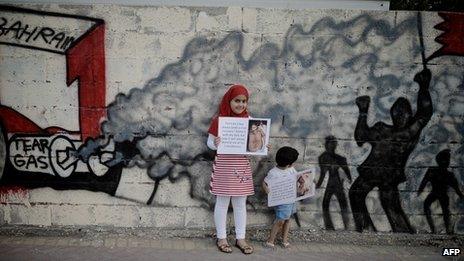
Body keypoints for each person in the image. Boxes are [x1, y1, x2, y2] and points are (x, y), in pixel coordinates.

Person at [349, 68, 433, 233]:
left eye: (404, 113)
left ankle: (402, 231)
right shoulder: (383, 129)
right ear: (393, 114)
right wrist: (363, 112)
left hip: (389, 175)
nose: (400, 115)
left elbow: (425, 113)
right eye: (397, 112)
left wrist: (424, 87)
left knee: (390, 204)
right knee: (356, 193)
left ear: (409, 115)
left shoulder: (409, 132)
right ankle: (366, 228)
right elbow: (361, 138)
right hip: (372, 171)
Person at [207, 84, 254, 254]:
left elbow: (254, 146)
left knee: (240, 204)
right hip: (224, 166)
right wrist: (215, 143)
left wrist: (262, 146)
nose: (241, 104)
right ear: (229, 100)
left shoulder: (250, 121)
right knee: (222, 203)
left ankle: (240, 238)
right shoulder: (220, 120)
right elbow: (209, 143)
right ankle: (222, 238)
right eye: (237, 101)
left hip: (241, 166)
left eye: (244, 101)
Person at [418, 149, 464, 234]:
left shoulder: (447, 174)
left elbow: (456, 188)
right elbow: (424, 181)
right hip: (436, 193)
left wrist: (461, 195)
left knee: (445, 211)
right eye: (445, 160)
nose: (446, 162)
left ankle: (446, 230)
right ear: (439, 160)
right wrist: (419, 190)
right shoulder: (434, 171)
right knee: (431, 207)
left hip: (440, 194)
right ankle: (437, 229)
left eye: (447, 160)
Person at [262, 146, 300, 248]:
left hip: (291, 200)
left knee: (287, 220)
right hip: (281, 202)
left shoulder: (291, 169)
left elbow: (297, 177)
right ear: (289, 163)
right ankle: (270, 241)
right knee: (279, 221)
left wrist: (301, 182)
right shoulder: (273, 173)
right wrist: (266, 189)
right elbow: (264, 183)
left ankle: (284, 240)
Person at [316, 135, 352, 230]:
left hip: (336, 183)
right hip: (333, 183)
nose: (332, 146)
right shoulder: (324, 157)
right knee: (327, 204)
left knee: (340, 204)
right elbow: (323, 173)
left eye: (334, 143)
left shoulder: (338, 158)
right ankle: (332, 226)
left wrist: (349, 179)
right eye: (331, 143)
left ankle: (345, 225)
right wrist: (318, 185)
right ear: (327, 145)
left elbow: (347, 171)